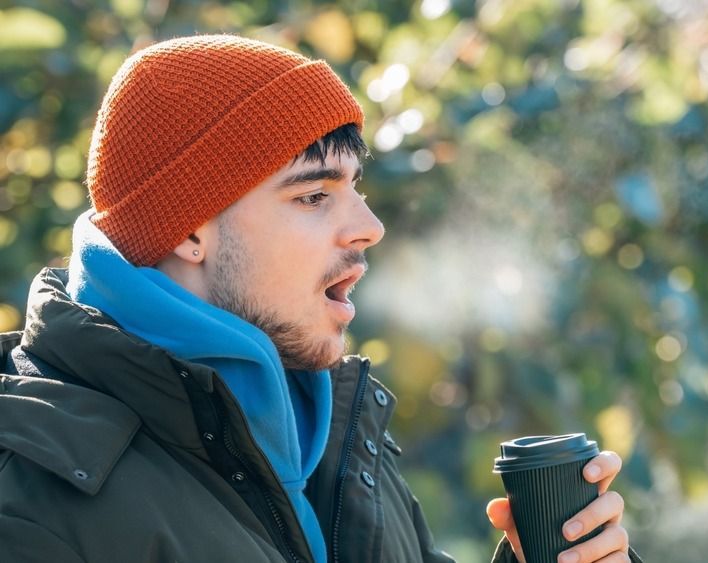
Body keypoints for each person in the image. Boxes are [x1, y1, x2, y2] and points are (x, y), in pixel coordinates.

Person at [0, 35, 640, 562]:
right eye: (313, 195)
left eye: (356, 186)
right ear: (189, 227)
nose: (369, 225)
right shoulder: (34, 501)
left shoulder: (334, 428)